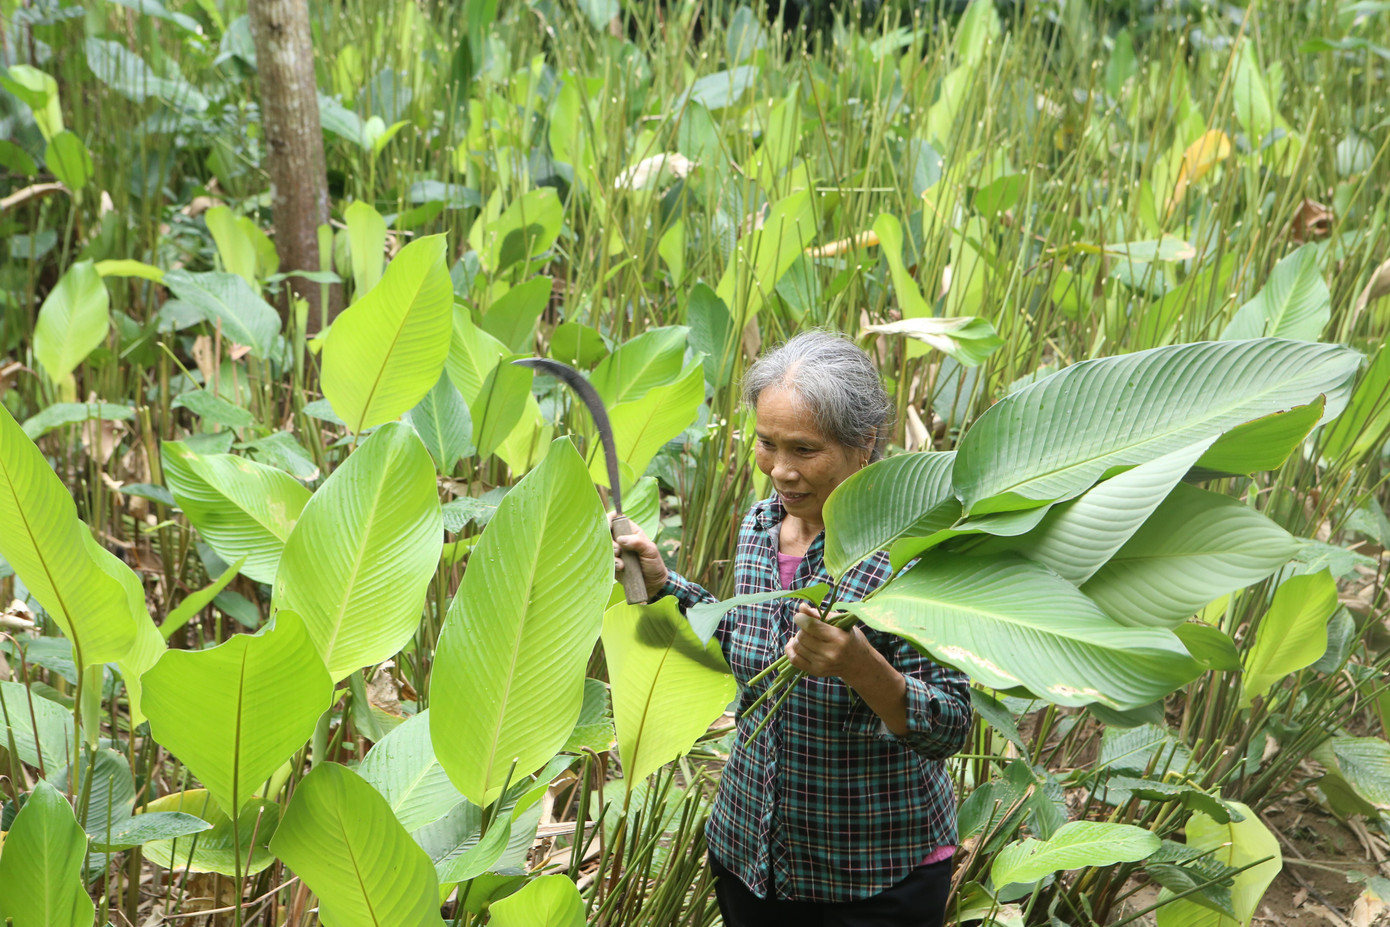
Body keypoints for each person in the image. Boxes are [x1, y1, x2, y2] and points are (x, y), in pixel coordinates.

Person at [613, 331, 972, 927]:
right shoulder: (760, 526)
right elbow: (752, 647)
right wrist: (663, 586)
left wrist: (860, 667)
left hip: (873, 874)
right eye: (766, 443)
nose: (780, 471)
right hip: (751, 858)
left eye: (804, 449)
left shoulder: (910, 550)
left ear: (866, 444)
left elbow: (950, 726)